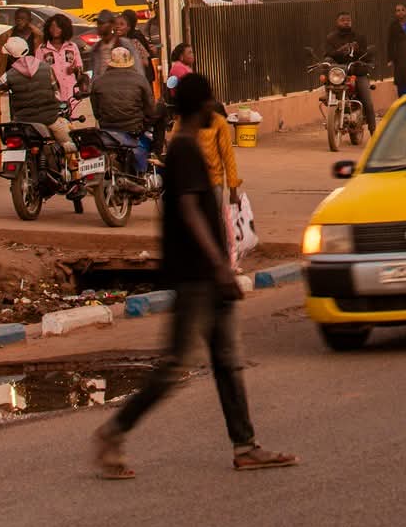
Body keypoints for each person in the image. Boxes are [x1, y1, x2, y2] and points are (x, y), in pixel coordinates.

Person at [91, 74, 297, 477]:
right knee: (175, 365)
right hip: (196, 276)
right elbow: (188, 210)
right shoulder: (184, 149)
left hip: (207, 273)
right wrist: (219, 266)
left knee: (226, 362)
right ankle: (113, 432)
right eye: (211, 103)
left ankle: (245, 445)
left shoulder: (187, 147)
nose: (214, 109)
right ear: (199, 107)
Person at [90, 43, 153, 174]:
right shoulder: (140, 80)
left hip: (107, 130)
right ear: (130, 63)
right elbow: (150, 109)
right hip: (133, 129)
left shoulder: (98, 82)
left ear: (110, 63)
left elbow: (96, 113)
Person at [196, 96, 242, 214]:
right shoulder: (219, 123)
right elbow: (228, 158)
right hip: (212, 181)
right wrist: (233, 193)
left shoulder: (184, 121)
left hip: (192, 184)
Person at [324, 11, 374, 113]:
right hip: (339, 73)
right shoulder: (331, 38)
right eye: (343, 20)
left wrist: (356, 50)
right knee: (327, 83)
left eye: (348, 20)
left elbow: (365, 54)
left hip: (357, 71)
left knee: (366, 99)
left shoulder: (359, 36)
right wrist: (341, 50)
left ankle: (372, 125)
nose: (346, 22)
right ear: (337, 22)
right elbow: (328, 55)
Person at [40, 13, 85, 105]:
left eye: (58, 27)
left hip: (71, 92)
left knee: (71, 117)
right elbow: (38, 71)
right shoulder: (42, 49)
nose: (54, 29)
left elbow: (80, 67)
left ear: (65, 29)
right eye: (52, 26)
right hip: (52, 93)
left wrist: (74, 69)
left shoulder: (72, 47)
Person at [0, 8, 40, 82]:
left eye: (23, 19)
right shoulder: (5, 37)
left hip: (31, 75)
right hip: (11, 76)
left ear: (30, 20)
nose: (19, 21)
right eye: (17, 19)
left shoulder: (38, 37)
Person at [384, 4, 406, 96]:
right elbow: (390, 42)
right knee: (401, 77)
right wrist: (390, 58)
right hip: (400, 55)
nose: (400, 12)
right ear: (395, 13)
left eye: (403, 10)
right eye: (398, 10)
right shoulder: (393, 25)